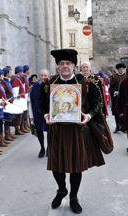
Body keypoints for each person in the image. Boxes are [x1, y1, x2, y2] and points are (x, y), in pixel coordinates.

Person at [38, 49, 111, 214]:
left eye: (68, 63)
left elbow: (96, 103)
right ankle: (61, 189)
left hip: (77, 131)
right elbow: (40, 103)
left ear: (73, 66)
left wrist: (88, 116)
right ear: (58, 66)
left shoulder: (85, 83)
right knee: (56, 164)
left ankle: (74, 197)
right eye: (62, 63)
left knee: (76, 166)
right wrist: (46, 114)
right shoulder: (49, 84)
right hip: (56, 130)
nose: (65, 66)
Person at [29, 69, 49, 158]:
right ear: (39, 76)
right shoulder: (33, 87)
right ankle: (42, 148)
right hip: (37, 112)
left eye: (45, 75)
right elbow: (29, 102)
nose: (43, 77)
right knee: (40, 130)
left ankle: (49, 148)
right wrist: (31, 115)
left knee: (50, 131)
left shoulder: (51, 86)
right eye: (42, 75)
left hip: (49, 113)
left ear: (48, 76)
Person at [2, 67, 19, 140]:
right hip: (7, 101)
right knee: (7, 119)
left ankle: (9, 133)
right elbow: (3, 93)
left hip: (10, 101)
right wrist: (7, 100)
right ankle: (6, 135)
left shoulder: (7, 81)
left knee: (9, 118)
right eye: (10, 72)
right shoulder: (3, 82)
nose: (12, 73)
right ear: (7, 73)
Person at [110, 63, 127, 133]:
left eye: (122, 69)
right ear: (117, 70)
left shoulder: (126, 76)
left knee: (125, 111)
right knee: (116, 112)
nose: (121, 70)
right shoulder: (113, 77)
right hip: (116, 97)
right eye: (120, 69)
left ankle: (124, 126)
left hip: (125, 97)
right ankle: (117, 126)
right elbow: (111, 87)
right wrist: (115, 92)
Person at [11, 66, 27, 135]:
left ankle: (21, 128)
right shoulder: (15, 79)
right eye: (22, 72)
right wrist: (16, 96)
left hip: (20, 99)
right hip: (18, 100)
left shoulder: (17, 78)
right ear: (20, 72)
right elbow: (15, 90)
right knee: (18, 115)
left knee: (21, 114)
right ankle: (18, 129)